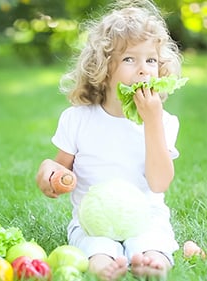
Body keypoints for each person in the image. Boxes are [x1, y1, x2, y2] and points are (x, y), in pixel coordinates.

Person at [36, 0, 184, 280]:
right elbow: (60, 169)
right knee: (97, 252)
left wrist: (152, 122)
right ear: (103, 68)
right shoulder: (77, 119)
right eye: (129, 59)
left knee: (153, 247)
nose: (143, 70)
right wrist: (49, 173)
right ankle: (106, 267)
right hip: (94, 222)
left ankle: (150, 263)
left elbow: (159, 183)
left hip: (145, 218)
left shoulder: (164, 122)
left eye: (150, 60)